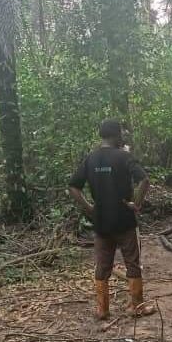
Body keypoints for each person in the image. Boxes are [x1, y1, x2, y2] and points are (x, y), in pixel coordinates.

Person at [69, 120, 154, 320]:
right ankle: (137, 306)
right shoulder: (124, 157)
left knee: (102, 264)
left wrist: (89, 208)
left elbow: (73, 186)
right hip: (124, 219)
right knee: (132, 262)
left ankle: (102, 309)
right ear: (116, 135)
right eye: (121, 133)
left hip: (101, 221)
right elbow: (144, 180)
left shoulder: (90, 159)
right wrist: (137, 203)